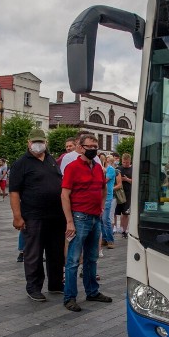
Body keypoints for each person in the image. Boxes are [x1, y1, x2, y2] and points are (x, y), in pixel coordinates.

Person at [9, 129, 65, 302]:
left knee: (56, 252)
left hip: (56, 215)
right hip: (33, 215)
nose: (38, 144)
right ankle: (33, 287)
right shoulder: (21, 163)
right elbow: (14, 192)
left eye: (41, 141)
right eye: (35, 141)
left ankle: (55, 284)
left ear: (46, 142)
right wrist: (17, 216)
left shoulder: (50, 160)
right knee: (34, 253)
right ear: (28, 142)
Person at [61, 133, 112, 312]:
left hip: (94, 217)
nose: (93, 149)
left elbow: (103, 188)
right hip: (79, 217)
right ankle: (69, 297)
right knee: (73, 260)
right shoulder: (72, 167)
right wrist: (69, 221)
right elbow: (65, 195)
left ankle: (92, 291)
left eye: (95, 146)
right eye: (90, 146)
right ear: (81, 148)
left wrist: (102, 207)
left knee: (92, 257)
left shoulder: (97, 167)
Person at [100, 153, 119, 250]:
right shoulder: (101, 169)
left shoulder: (111, 169)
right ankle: (104, 238)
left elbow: (103, 181)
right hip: (101, 196)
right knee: (101, 220)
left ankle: (110, 240)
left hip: (108, 196)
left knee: (105, 219)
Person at [114, 153, 132, 238]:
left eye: (127, 163)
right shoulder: (118, 168)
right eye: (124, 162)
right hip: (118, 194)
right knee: (115, 212)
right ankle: (114, 229)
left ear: (130, 161)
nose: (125, 164)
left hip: (128, 194)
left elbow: (135, 181)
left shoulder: (133, 169)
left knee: (125, 213)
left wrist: (127, 179)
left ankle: (124, 231)